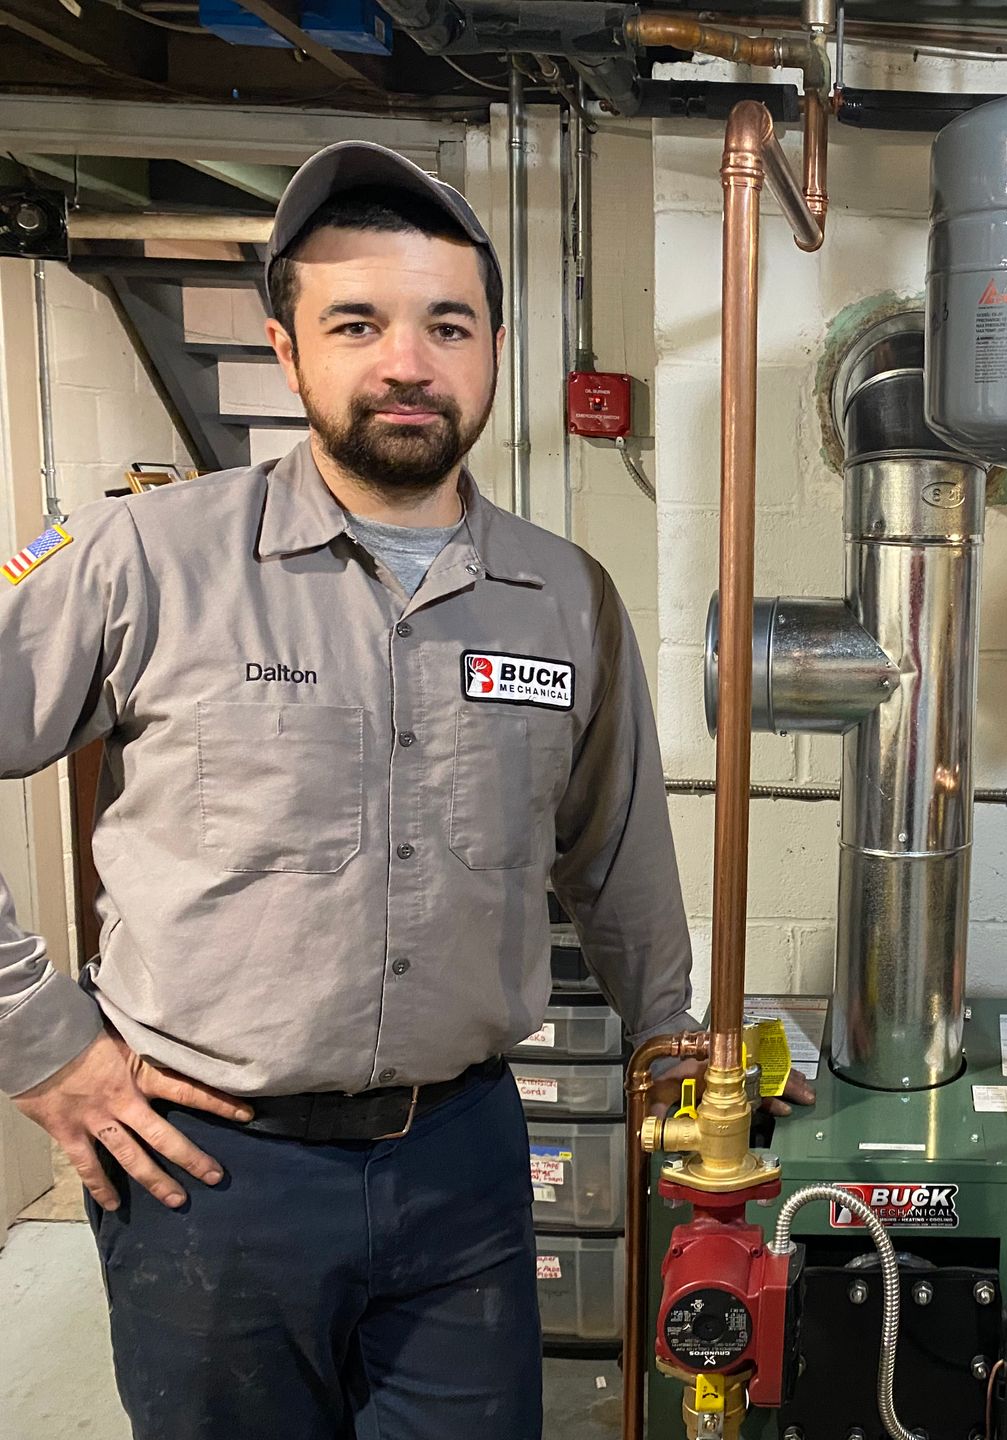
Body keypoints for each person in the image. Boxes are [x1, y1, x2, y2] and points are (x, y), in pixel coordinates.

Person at [0, 141, 698, 1438]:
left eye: (448, 323)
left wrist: (665, 1038)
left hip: (467, 1174)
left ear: (492, 349)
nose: (407, 361)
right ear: (288, 347)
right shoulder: (151, 561)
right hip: (210, 1181)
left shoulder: (563, 598)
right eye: (357, 322)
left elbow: (617, 857)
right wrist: (43, 1044)